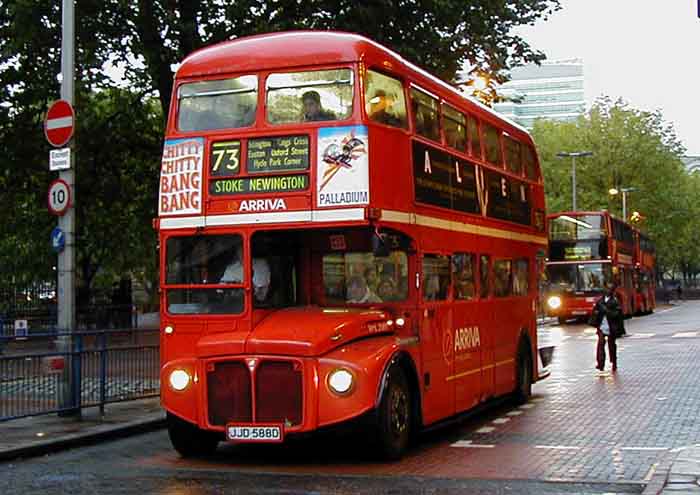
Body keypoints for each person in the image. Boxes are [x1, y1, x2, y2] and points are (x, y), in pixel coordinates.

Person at [589, 282, 625, 372]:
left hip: (611, 327)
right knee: (601, 343)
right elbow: (595, 311)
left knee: (611, 345)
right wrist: (597, 314)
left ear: (612, 291)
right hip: (602, 325)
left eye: (609, 289)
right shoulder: (600, 301)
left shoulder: (615, 301)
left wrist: (606, 311)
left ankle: (614, 362)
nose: (607, 291)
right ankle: (600, 363)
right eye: (606, 289)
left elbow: (617, 314)